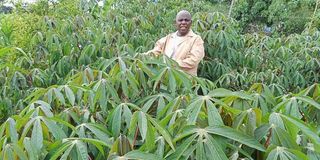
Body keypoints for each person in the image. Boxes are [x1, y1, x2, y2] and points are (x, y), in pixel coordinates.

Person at [145, 10, 205, 76]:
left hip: (185, 80)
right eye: (180, 20)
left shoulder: (196, 39)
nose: (183, 22)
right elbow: (156, 52)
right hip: (165, 78)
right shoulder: (168, 38)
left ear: (191, 22)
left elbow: (193, 60)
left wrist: (171, 64)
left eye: (186, 20)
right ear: (175, 22)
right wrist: (142, 56)